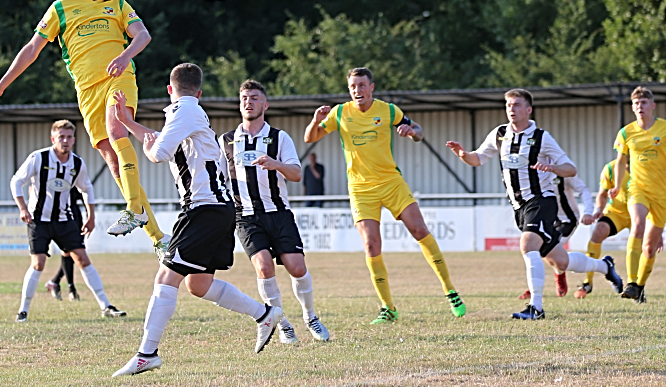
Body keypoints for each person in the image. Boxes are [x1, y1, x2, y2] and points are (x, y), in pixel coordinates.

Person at [0, 0, 168, 258]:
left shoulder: (118, 5)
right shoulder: (62, 8)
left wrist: (124, 56)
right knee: (112, 160)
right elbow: (31, 49)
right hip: (87, 93)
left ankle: (133, 208)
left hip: (119, 78)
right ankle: (158, 238)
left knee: (116, 126)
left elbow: (142, 36)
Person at [111, 64, 283, 377]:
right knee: (198, 284)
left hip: (203, 209)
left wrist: (142, 142)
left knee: (165, 279)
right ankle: (265, 314)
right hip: (217, 209)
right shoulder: (186, 112)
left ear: (169, 88)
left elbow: (158, 152)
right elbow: (158, 138)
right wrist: (129, 123)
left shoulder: (183, 111)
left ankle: (146, 354)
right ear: (200, 92)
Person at [304, 67, 466, 323]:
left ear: (371, 87)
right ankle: (388, 308)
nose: (357, 90)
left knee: (419, 230)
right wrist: (315, 120)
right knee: (371, 245)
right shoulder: (339, 113)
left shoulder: (389, 110)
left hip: (391, 182)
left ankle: (450, 290)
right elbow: (309, 137)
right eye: (353, 86)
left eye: (361, 85)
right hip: (360, 189)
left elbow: (420, 131)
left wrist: (412, 133)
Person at [446, 88, 623, 320]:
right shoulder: (499, 134)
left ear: (528, 110)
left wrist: (551, 168)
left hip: (542, 201)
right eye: (509, 105)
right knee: (560, 260)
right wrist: (462, 154)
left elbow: (571, 169)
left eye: (517, 105)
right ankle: (605, 267)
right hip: (519, 207)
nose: (512, 109)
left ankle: (536, 308)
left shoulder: (541, 137)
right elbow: (477, 158)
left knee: (528, 244)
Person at [219, 80, 329, 345]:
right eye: (244, 97)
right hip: (245, 216)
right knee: (264, 267)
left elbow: (296, 173)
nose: (249, 102)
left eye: (255, 98)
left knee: (296, 267)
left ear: (265, 105)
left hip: (279, 213)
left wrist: (275, 164)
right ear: (239, 103)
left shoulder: (280, 138)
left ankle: (310, 316)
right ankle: (281, 323)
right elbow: (219, 179)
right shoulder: (226, 141)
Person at [11, 120, 126, 322]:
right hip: (39, 220)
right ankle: (23, 310)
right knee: (38, 263)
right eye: (61, 137)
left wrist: (91, 216)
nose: (65, 141)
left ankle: (105, 305)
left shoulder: (77, 163)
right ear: (53, 138)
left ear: (74, 139)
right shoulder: (38, 158)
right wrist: (22, 208)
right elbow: (16, 181)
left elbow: (86, 188)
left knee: (82, 258)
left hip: (65, 220)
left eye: (69, 137)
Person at [610, 86, 666, 302]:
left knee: (650, 249)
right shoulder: (626, 132)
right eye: (636, 104)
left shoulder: (663, 129)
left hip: (661, 194)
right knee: (638, 226)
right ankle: (631, 282)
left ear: (652, 106)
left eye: (643, 103)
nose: (639, 106)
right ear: (632, 108)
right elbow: (621, 161)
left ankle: (639, 287)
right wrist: (617, 185)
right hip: (638, 189)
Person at [518, 174, 595, 299]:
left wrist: (588, 212)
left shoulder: (563, 167)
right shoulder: (533, 170)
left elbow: (583, 189)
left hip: (567, 219)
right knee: (536, 249)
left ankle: (555, 277)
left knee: (547, 249)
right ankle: (536, 286)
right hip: (547, 219)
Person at [574, 160, 638, 299]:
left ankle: (637, 285)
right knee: (598, 232)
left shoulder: (647, 164)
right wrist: (598, 210)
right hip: (616, 212)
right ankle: (588, 282)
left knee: (644, 245)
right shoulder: (611, 168)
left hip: (639, 212)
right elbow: (602, 194)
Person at [45, 188, 83, 301]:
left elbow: (84, 192)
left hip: (75, 215)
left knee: (76, 253)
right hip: (61, 215)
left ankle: (55, 282)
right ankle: (71, 289)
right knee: (68, 252)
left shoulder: (73, 173)